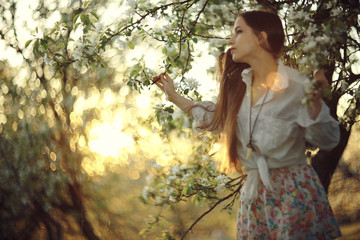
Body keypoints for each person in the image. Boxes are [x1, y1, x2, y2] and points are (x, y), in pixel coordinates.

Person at [153, 10, 341, 240]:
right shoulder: (240, 87)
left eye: (239, 31)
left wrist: (315, 105)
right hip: (254, 195)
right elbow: (214, 119)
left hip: (293, 192)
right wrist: (173, 97)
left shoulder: (298, 85)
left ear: (261, 38)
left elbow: (328, 139)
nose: (231, 40)